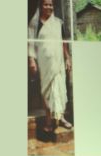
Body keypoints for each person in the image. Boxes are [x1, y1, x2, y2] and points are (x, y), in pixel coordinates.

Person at [28, 0, 72, 137]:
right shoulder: (35, 24)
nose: (49, 7)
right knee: (46, 91)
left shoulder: (58, 23)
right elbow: (30, 43)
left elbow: (64, 42)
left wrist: (67, 58)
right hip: (44, 62)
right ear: (41, 6)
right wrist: (31, 59)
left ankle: (61, 118)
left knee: (59, 88)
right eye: (46, 4)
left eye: (51, 5)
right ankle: (48, 121)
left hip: (58, 61)